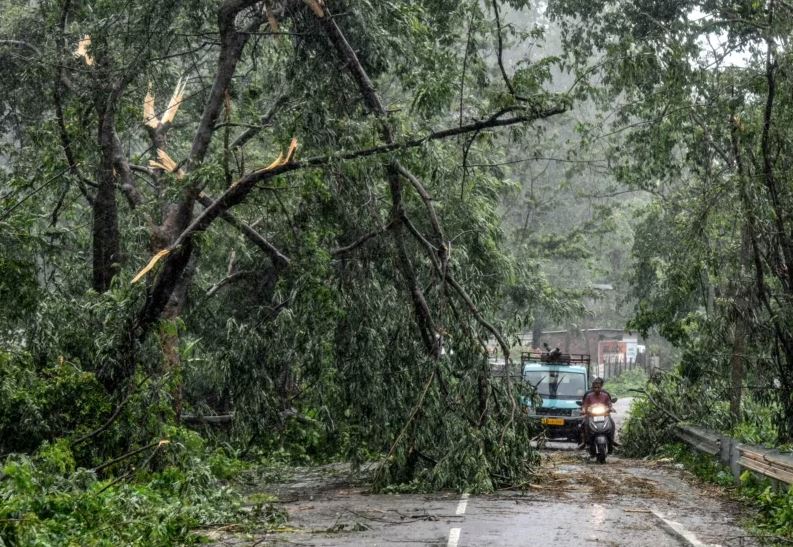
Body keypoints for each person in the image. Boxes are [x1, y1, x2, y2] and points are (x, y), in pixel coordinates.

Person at [577, 377, 617, 450]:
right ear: (592, 387)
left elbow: (609, 403)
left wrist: (611, 408)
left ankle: (612, 440)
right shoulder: (589, 395)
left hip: (604, 414)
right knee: (583, 423)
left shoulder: (605, 395)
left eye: (598, 387)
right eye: (595, 387)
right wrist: (583, 410)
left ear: (601, 387)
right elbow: (584, 404)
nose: (596, 389)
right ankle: (584, 441)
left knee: (612, 422)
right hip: (591, 415)